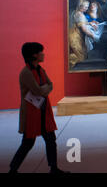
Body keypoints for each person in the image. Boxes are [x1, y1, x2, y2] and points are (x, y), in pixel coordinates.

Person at [9, 43, 68, 173]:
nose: (43, 54)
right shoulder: (26, 72)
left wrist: (43, 90)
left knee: (50, 139)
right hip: (31, 113)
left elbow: (50, 85)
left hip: (42, 111)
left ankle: (53, 168)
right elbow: (38, 90)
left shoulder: (40, 69)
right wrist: (44, 90)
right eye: (41, 52)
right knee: (28, 143)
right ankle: (13, 169)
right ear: (34, 55)